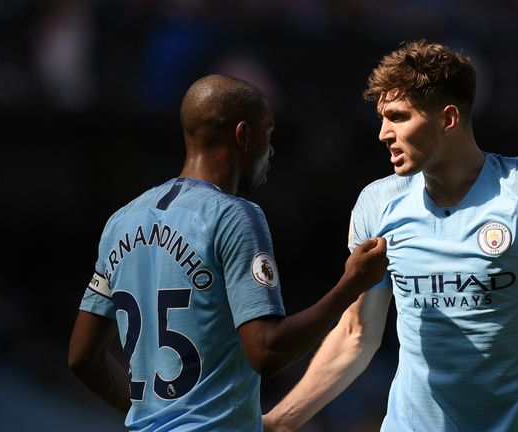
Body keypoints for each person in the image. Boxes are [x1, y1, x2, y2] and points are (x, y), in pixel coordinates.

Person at [263, 40, 518, 431]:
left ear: (448, 119)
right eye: (383, 118)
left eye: (398, 117)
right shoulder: (376, 203)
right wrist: (278, 422)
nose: (383, 133)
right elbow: (355, 334)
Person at [67, 74, 388, 431]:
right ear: (243, 135)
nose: (271, 150)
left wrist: (158, 413)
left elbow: (82, 357)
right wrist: (352, 284)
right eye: (268, 134)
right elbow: (267, 351)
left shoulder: (121, 222)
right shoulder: (234, 216)